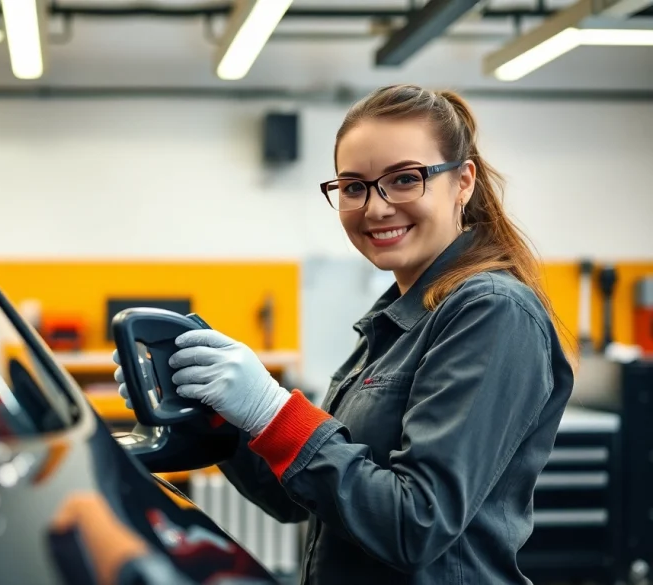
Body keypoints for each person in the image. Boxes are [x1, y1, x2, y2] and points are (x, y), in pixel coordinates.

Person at [111, 84, 575, 584]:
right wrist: (216, 417)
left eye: (404, 179)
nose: (375, 208)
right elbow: (302, 499)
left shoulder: (491, 311)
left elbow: (414, 523)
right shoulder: (394, 320)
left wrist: (271, 409)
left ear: (462, 182)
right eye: (353, 186)